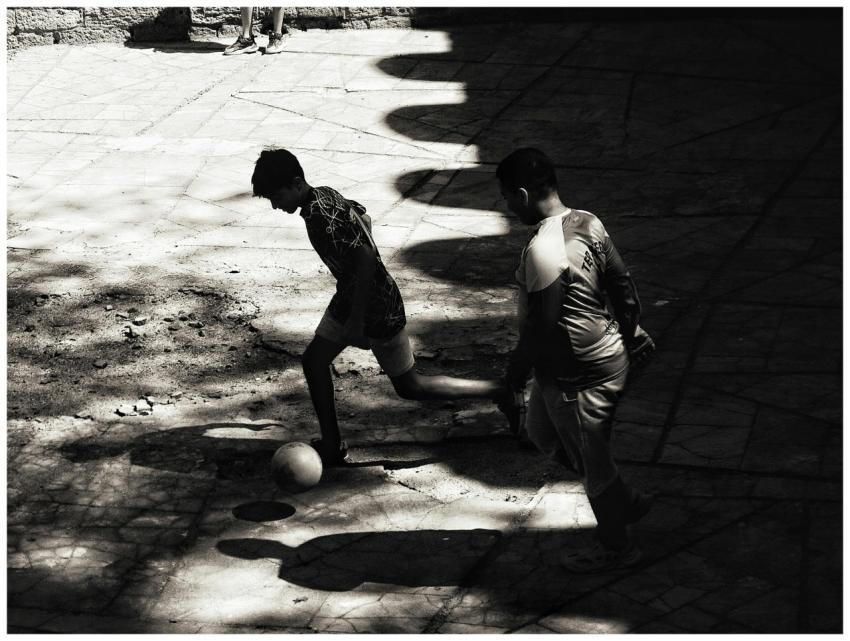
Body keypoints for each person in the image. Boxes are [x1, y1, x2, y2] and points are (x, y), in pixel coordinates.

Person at [251, 148, 521, 465]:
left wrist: (355, 321)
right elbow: (362, 216)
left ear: (296, 183)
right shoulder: (323, 196)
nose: (274, 204)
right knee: (313, 361)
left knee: (411, 386)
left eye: (276, 195)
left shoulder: (321, 217)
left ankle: (500, 391)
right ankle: (332, 443)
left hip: (375, 306)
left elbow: (365, 259)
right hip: (353, 297)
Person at [496, 147, 656, 573]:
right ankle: (625, 501)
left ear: (525, 194)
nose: (507, 206)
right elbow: (622, 282)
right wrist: (630, 327)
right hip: (596, 359)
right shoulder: (587, 220)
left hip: (575, 373)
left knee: (591, 464)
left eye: (508, 197)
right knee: (542, 436)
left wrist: (514, 375)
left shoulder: (543, 249)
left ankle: (617, 545)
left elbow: (543, 328)